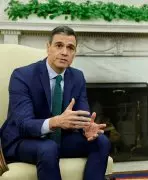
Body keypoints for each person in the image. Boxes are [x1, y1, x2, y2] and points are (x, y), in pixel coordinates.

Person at [0, 26, 110, 180]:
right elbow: (23, 124)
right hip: (22, 140)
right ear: (48, 48)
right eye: (59, 46)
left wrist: (87, 128)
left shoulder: (77, 77)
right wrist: (55, 122)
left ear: (74, 53)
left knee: (101, 142)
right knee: (48, 148)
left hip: (59, 139)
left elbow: (82, 114)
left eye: (70, 48)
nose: (64, 52)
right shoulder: (22, 76)